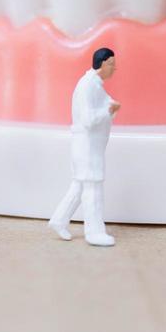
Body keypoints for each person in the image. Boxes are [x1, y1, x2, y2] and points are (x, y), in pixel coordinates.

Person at [48, 47, 120, 247]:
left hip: (89, 146)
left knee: (80, 186)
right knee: (93, 188)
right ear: (103, 64)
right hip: (87, 147)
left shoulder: (95, 85)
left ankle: (59, 220)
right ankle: (94, 232)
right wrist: (109, 110)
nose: (115, 69)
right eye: (112, 64)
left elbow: (106, 105)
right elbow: (88, 119)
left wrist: (110, 108)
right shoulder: (88, 86)